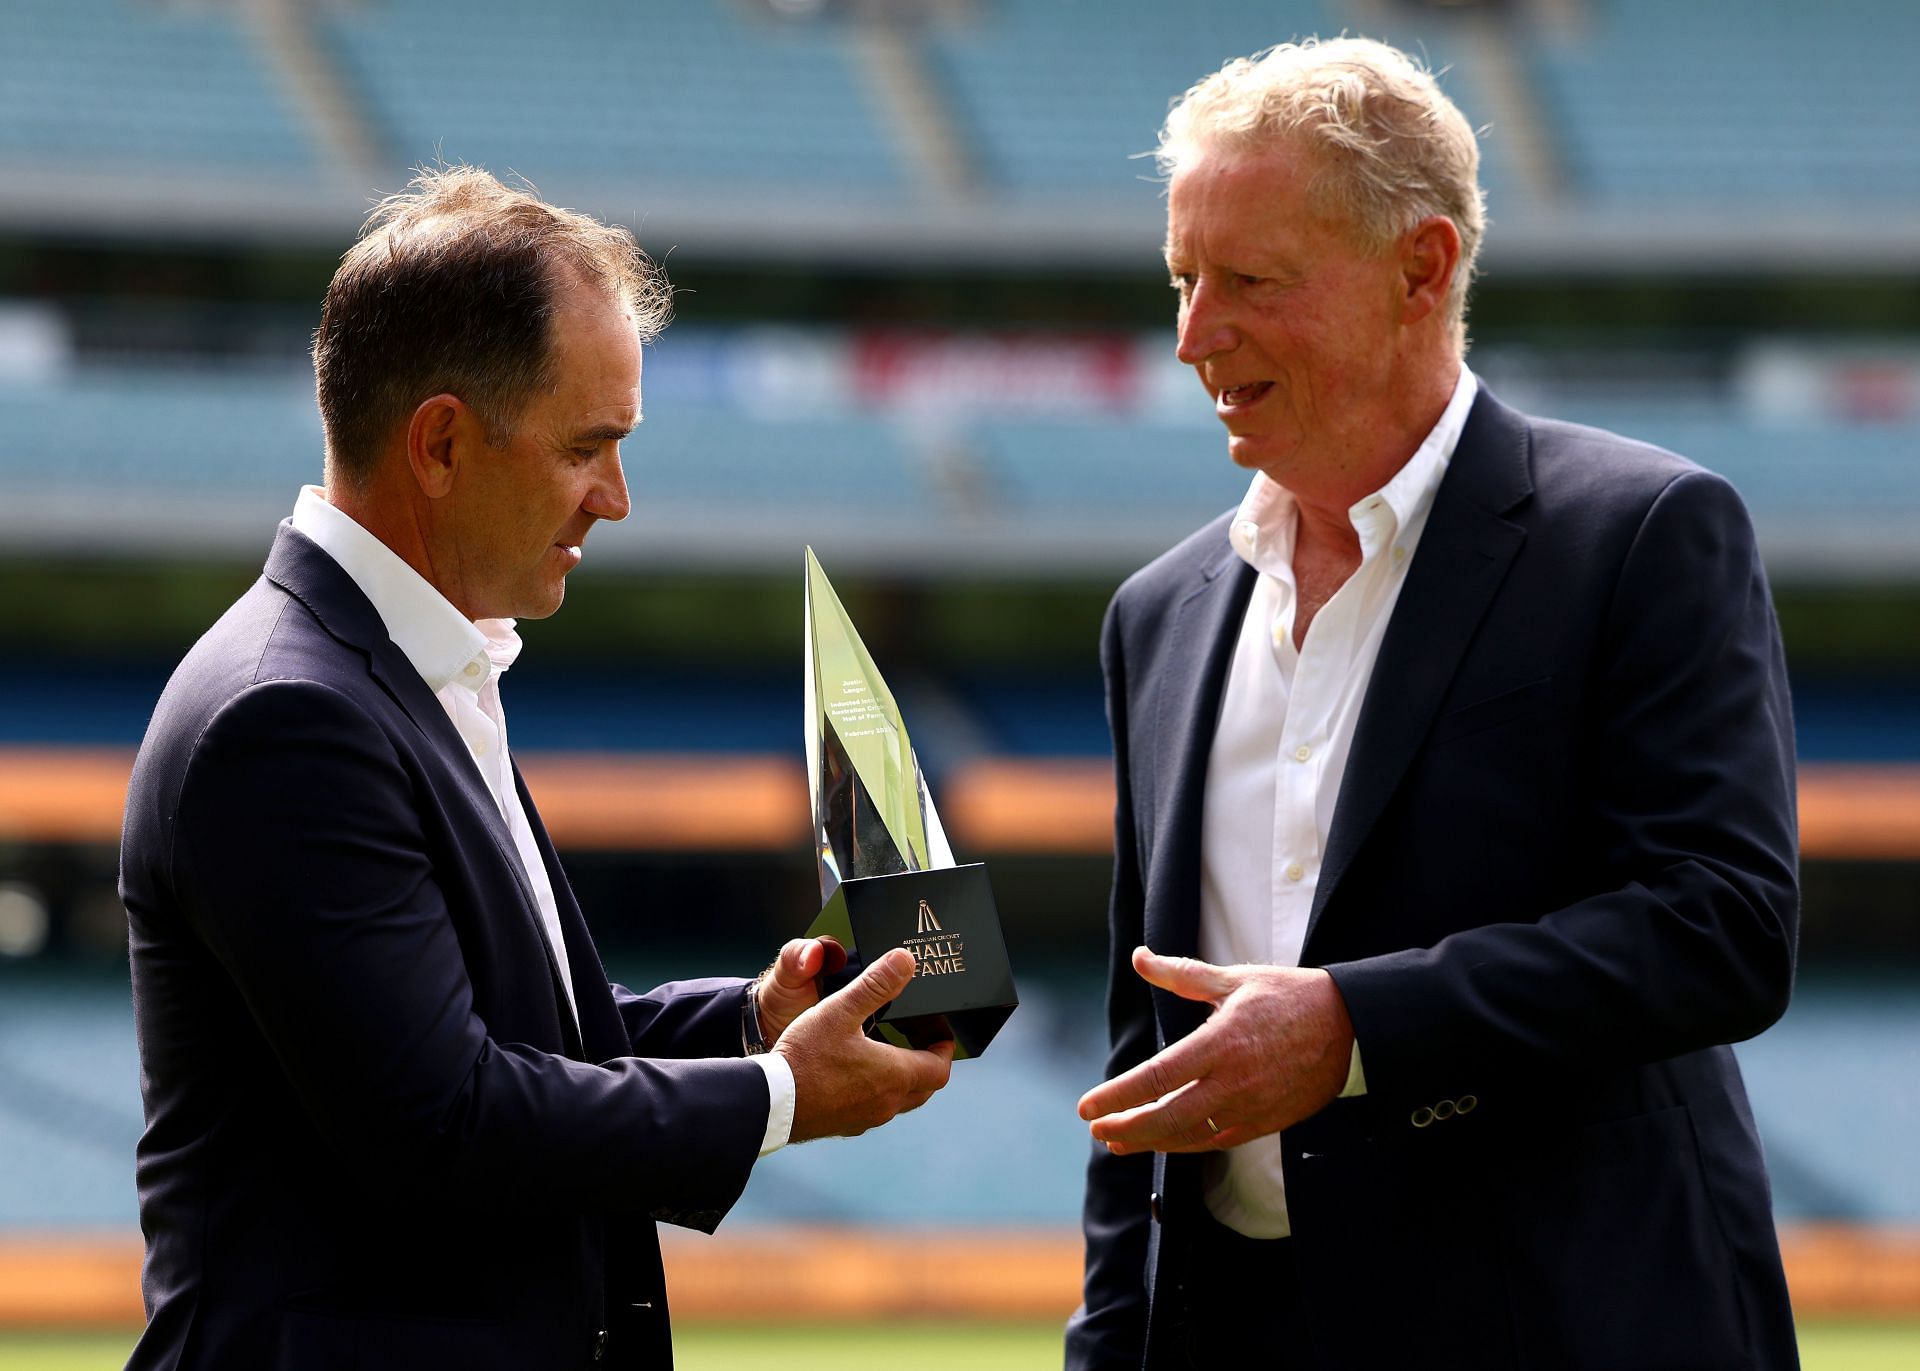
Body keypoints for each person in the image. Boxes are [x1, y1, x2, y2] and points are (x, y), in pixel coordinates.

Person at [119, 167, 953, 1371]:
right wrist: (778, 1092)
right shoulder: (288, 713)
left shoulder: (407, 671)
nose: (616, 499)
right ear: (444, 443)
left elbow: (520, 1037)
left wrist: (756, 1018)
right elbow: (444, 1119)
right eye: (588, 447)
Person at [1067, 38, 1799, 1371]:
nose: (1192, 335)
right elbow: (1150, 1063)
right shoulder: (1156, 614)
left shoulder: (1641, 531)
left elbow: (1724, 924)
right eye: (1182, 280)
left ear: (1422, 268)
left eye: (1249, 281)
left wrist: (1355, 1026)